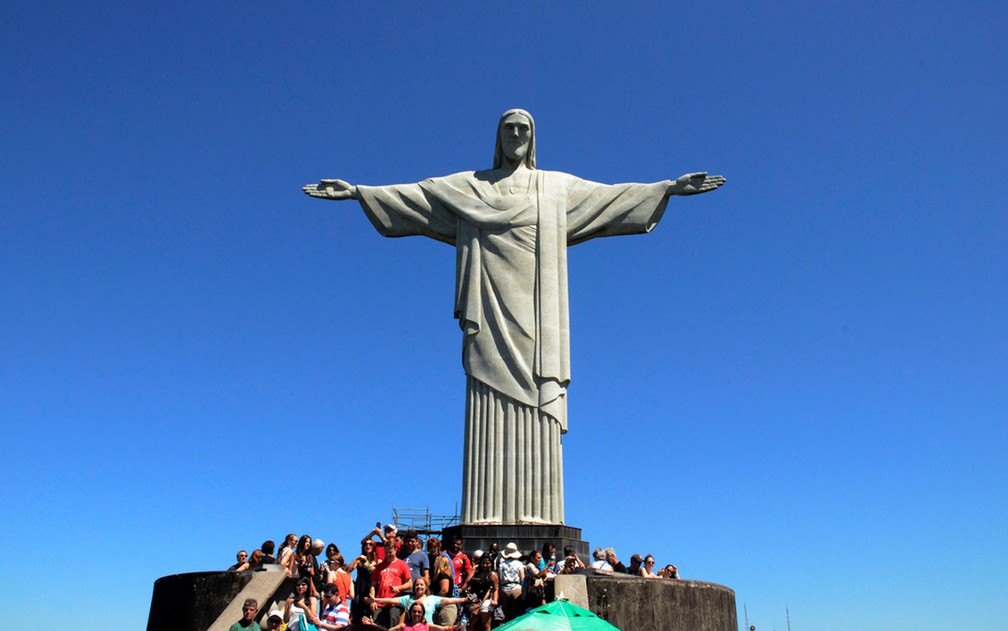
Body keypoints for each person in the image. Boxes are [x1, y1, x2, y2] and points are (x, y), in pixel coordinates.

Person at [303, 109, 725, 526]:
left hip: (540, 310)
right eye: (509, 129)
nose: (517, 134)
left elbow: (611, 197)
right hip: (487, 305)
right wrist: (359, 191)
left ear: (534, 137)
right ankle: (484, 512)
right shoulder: (470, 186)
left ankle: (540, 515)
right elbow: (418, 196)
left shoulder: (555, 187)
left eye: (524, 128)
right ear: (498, 136)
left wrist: (667, 188)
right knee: (487, 390)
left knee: (538, 391)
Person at [369, 576, 466, 626]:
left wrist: (465, 599)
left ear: (426, 587)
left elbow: (450, 600)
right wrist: (375, 599)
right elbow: (390, 600)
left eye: (421, 585)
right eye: (417, 585)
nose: (419, 587)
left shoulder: (432, 599)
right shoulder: (408, 599)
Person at [370, 539, 413, 628]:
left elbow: (409, 583)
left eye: (390, 552)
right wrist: (373, 600)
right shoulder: (380, 566)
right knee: (374, 625)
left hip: (394, 602)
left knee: (393, 623)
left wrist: (399, 588)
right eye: (386, 552)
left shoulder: (402, 564)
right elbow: (373, 585)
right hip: (380, 602)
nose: (388, 554)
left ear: (395, 550)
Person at [465, 554, 499, 631]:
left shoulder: (492, 574)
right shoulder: (475, 572)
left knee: (486, 625)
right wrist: (472, 571)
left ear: (491, 564)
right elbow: (467, 583)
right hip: (474, 599)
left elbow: (495, 588)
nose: (484, 565)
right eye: (483, 563)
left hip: (485, 600)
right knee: (471, 625)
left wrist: (495, 600)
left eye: (487, 563)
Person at [496, 543, 524, 621]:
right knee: (517, 613)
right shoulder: (519, 564)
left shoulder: (502, 565)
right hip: (516, 588)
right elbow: (522, 578)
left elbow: (500, 580)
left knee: (507, 614)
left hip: (505, 588)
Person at [388, 601, 457, 631]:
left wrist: (457, 626)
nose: (416, 614)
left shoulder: (427, 626)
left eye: (419, 612)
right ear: (410, 612)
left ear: (422, 614)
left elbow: (443, 628)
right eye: (414, 611)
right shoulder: (404, 625)